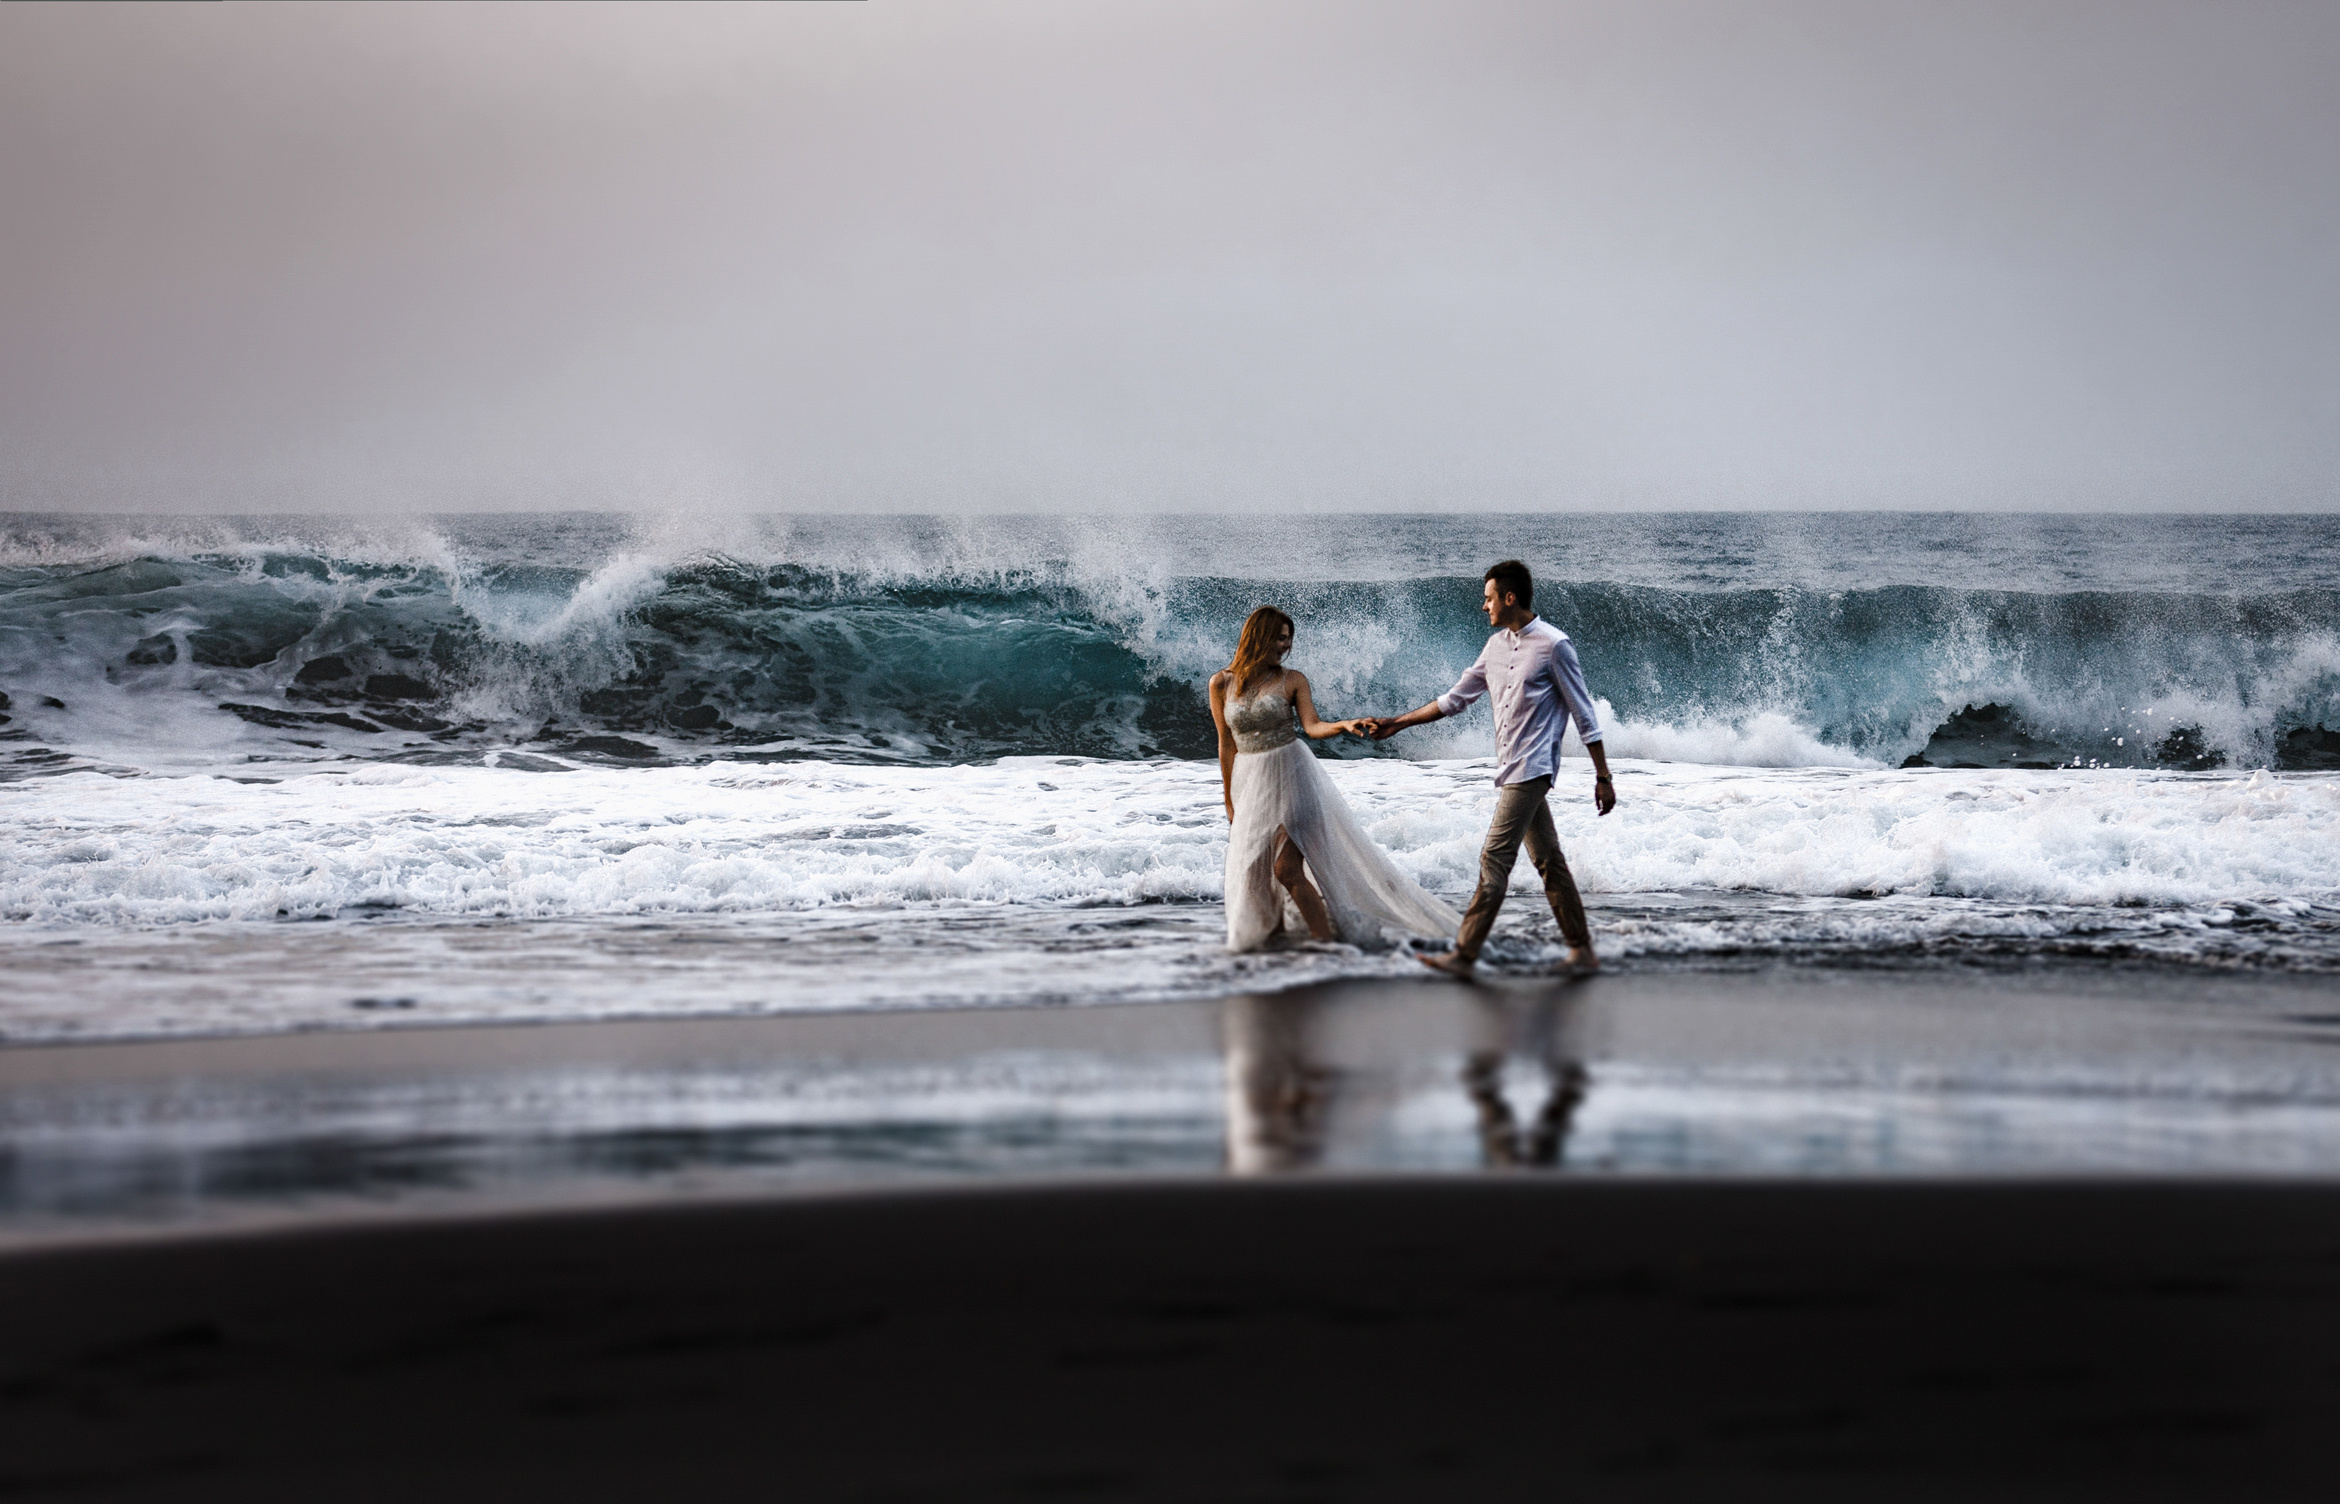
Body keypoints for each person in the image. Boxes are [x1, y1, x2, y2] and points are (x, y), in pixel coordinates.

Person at [1366, 560, 1616, 976]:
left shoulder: (1555, 645)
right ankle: (1581, 949)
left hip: (1533, 767)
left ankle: (1464, 953)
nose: (1484, 606)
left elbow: (1584, 714)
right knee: (1549, 861)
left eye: (1489, 598)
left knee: (1494, 859)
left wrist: (1603, 776)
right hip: (1510, 766)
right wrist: (1397, 723)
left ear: (1509, 598)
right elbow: (1453, 700)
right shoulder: (1495, 647)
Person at [1210, 606, 1462, 953]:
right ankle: (1276, 942)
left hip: (1292, 775)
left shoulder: (1292, 680)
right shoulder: (1221, 683)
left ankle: (1326, 944)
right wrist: (1228, 798)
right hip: (1250, 783)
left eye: (1288, 639)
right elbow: (1226, 744)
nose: (1286, 646)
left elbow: (1312, 726)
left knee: (1286, 869)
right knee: (1256, 873)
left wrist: (1342, 725)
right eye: (1280, 638)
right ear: (1260, 636)